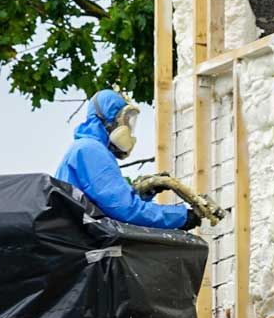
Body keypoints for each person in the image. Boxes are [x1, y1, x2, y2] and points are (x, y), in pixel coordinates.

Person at [54, 89, 201, 230]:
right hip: (82, 244)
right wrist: (181, 217)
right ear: (109, 120)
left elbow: (107, 203)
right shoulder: (91, 151)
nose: (128, 129)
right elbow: (124, 208)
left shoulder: (86, 148)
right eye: (125, 121)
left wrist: (145, 193)